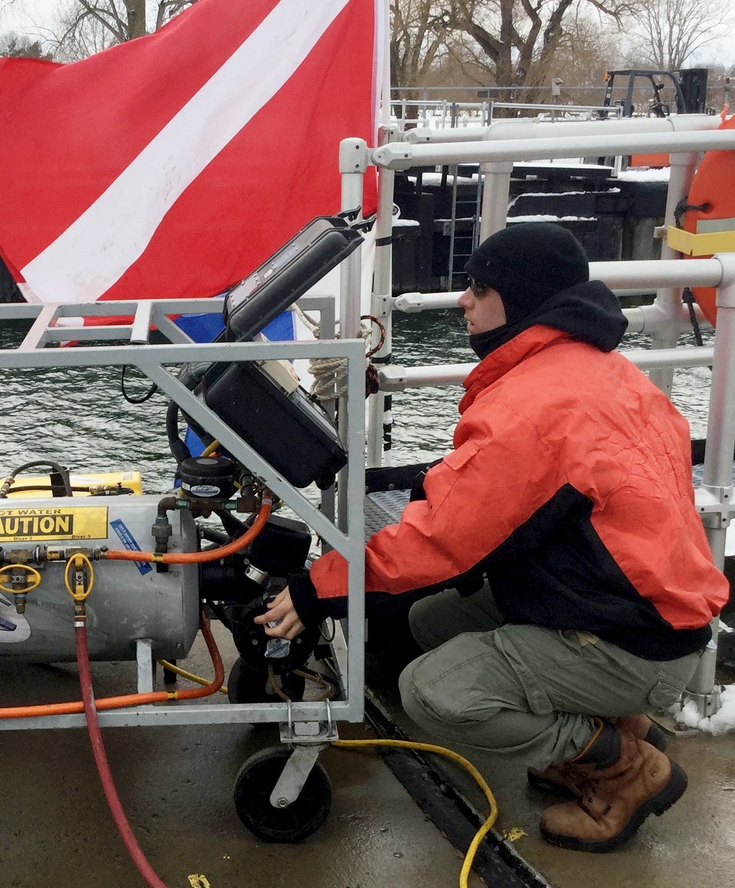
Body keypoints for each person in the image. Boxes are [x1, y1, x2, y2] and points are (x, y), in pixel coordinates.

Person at [256, 222, 729, 852]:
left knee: (433, 693)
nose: (463, 300)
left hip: (635, 637)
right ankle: (617, 728)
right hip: (640, 608)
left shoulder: (537, 404)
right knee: (432, 621)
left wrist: (318, 590)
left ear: (522, 298)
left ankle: (625, 770)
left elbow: (445, 540)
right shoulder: (595, 371)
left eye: (479, 288)